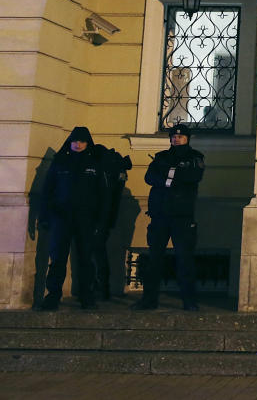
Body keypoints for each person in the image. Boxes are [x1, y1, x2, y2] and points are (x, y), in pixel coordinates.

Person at [132, 124, 205, 311]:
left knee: (185, 259)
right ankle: (149, 300)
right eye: (173, 136)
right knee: (154, 259)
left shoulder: (195, 157)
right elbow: (150, 177)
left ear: (187, 138)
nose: (176, 139)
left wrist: (168, 175)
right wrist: (170, 179)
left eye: (180, 137)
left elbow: (193, 177)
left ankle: (189, 301)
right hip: (160, 214)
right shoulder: (161, 157)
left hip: (182, 216)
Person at [37, 126, 110, 310]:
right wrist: (44, 216)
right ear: (70, 142)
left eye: (82, 141)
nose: (78, 144)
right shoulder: (60, 162)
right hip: (61, 217)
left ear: (87, 143)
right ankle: (53, 295)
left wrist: (101, 222)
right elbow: (47, 191)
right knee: (58, 259)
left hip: (86, 219)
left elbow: (103, 195)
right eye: (75, 141)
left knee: (86, 258)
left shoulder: (95, 163)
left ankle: (87, 296)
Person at [91, 144, 132, 300]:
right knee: (98, 251)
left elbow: (106, 197)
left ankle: (100, 287)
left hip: (98, 216)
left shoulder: (103, 168)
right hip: (105, 217)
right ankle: (102, 287)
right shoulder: (114, 167)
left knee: (94, 252)